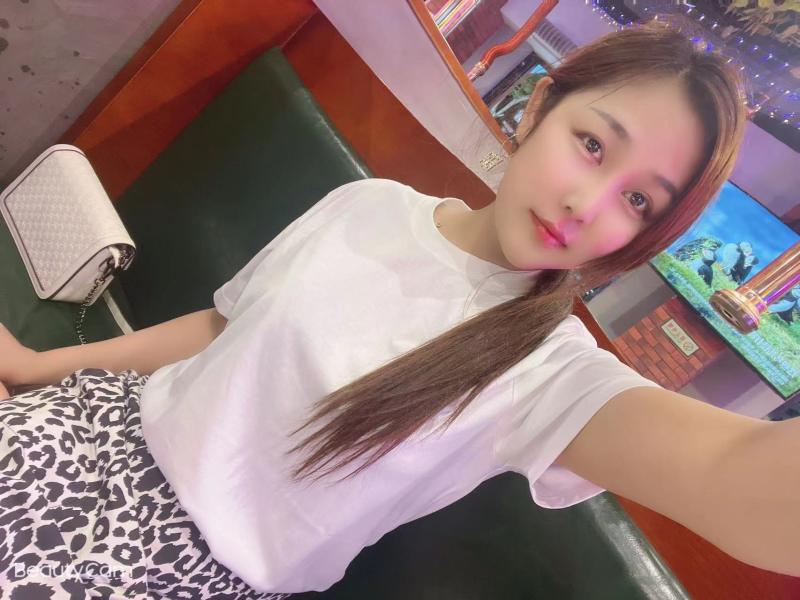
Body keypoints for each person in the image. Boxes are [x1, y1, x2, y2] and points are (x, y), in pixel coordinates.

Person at [1, 19, 798, 599]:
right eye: (592, 144)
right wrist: (40, 368)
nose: (587, 204)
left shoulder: (548, 371)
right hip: (102, 428)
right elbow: (222, 328)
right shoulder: (373, 204)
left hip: (176, 571)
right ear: (536, 109)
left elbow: (743, 488)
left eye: (637, 200)